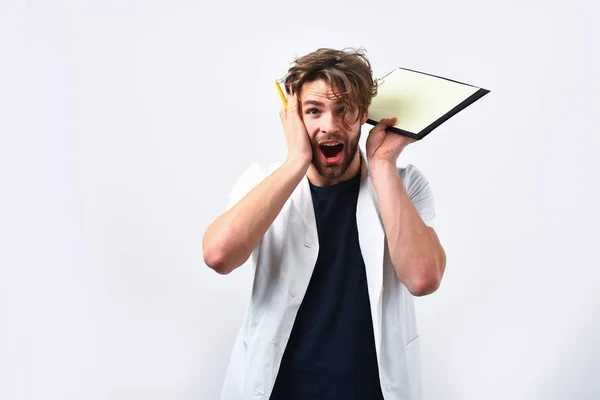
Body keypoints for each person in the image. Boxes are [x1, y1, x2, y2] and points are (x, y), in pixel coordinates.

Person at [202, 47, 447, 400]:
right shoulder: (260, 183)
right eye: (314, 111)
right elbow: (217, 256)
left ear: (364, 114)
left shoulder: (406, 185)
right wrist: (295, 161)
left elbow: (423, 279)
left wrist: (383, 164)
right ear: (294, 118)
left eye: (344, 110)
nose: (329, 126)